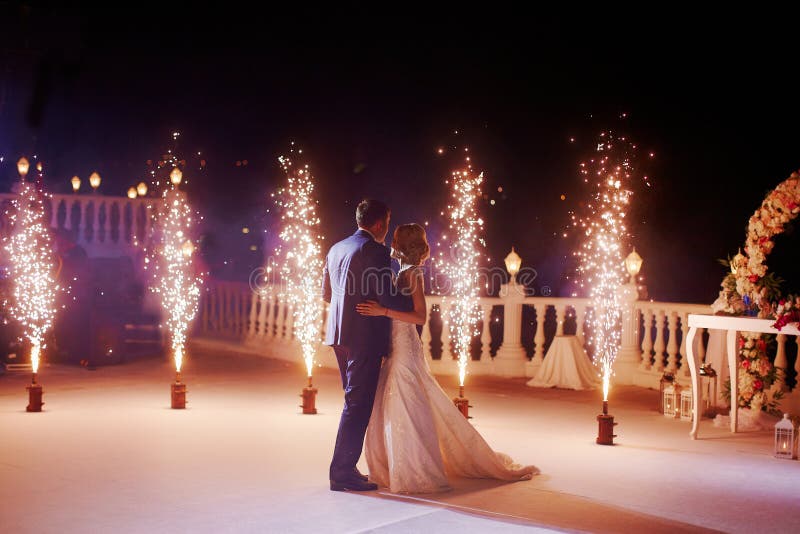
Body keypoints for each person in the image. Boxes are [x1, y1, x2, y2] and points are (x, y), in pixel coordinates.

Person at [357, 223, 539, 493]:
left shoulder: (413, 274)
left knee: (407, 402)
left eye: (395, 239)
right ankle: (397, 466)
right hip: (398, 345)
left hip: (405, 346)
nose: (391, 243)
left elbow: (420, 316)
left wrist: (382, 312)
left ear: (403, 244)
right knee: (397, 401)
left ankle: (416, 470)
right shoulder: (403, 272)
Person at [323, 198, 398, 492]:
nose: (387, 228)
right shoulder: (375, 250)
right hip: (364, 336)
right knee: (358, 404)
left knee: (353, 401)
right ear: (379, 224)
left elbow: (327, 294)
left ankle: (347, 466)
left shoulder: (336, 248)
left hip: (339, 335)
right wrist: (410, 296)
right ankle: (341, 471)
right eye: (387, 223)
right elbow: (386, 296)